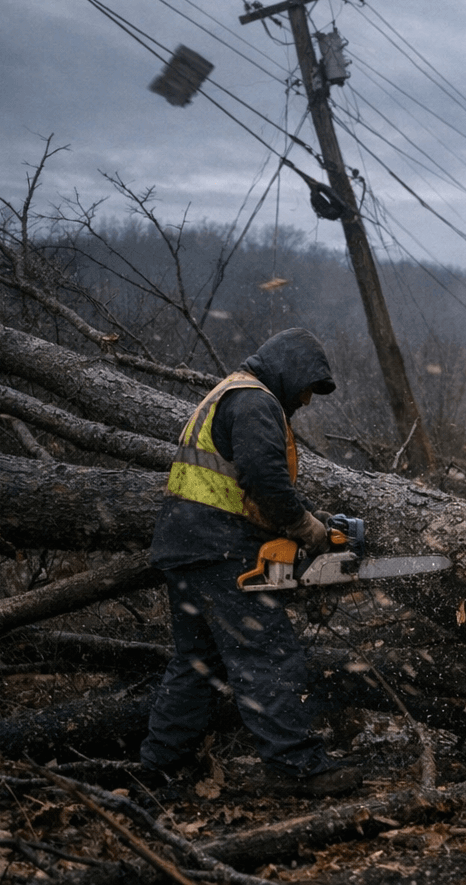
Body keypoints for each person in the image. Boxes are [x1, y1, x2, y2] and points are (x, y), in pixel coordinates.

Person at [140, 328, 360, 798]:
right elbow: (263, 479)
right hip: (220, 549)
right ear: (292, 371)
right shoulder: (256, 401)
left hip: (185, 548)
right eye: (306, 389)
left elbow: (240, 487)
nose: (305, 401)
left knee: (196, 663)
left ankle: (160, 770)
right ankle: (296, 767)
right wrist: (308, 530)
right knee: (267, 656)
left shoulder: (227, 394)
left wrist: (305, 520)